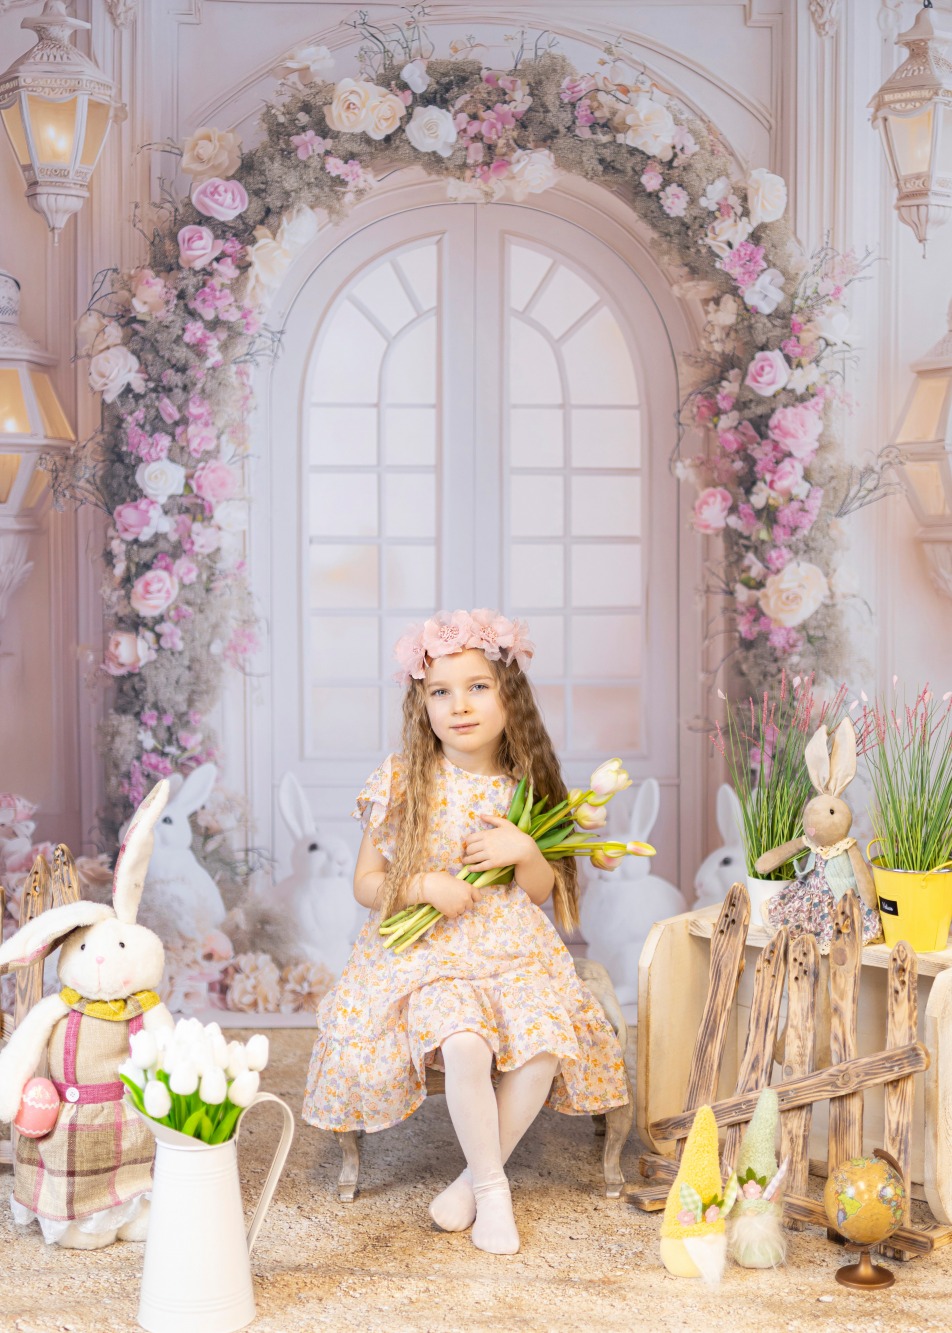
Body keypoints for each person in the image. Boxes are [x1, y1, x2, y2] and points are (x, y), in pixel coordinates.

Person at [302, 609, 629, 1255]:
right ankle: (494, 1192)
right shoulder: (404, 779)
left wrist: (524, 849)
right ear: (421, 703)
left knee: (544, 1044)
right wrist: (423, 886)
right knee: (464, 1043)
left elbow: (537, 890)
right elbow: (366, 882)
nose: (459, 705)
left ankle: (471, 1183)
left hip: (510, 949)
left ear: (510, 696)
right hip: (428, 953)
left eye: (478, 686)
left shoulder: (525, 786)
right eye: (440, 691)